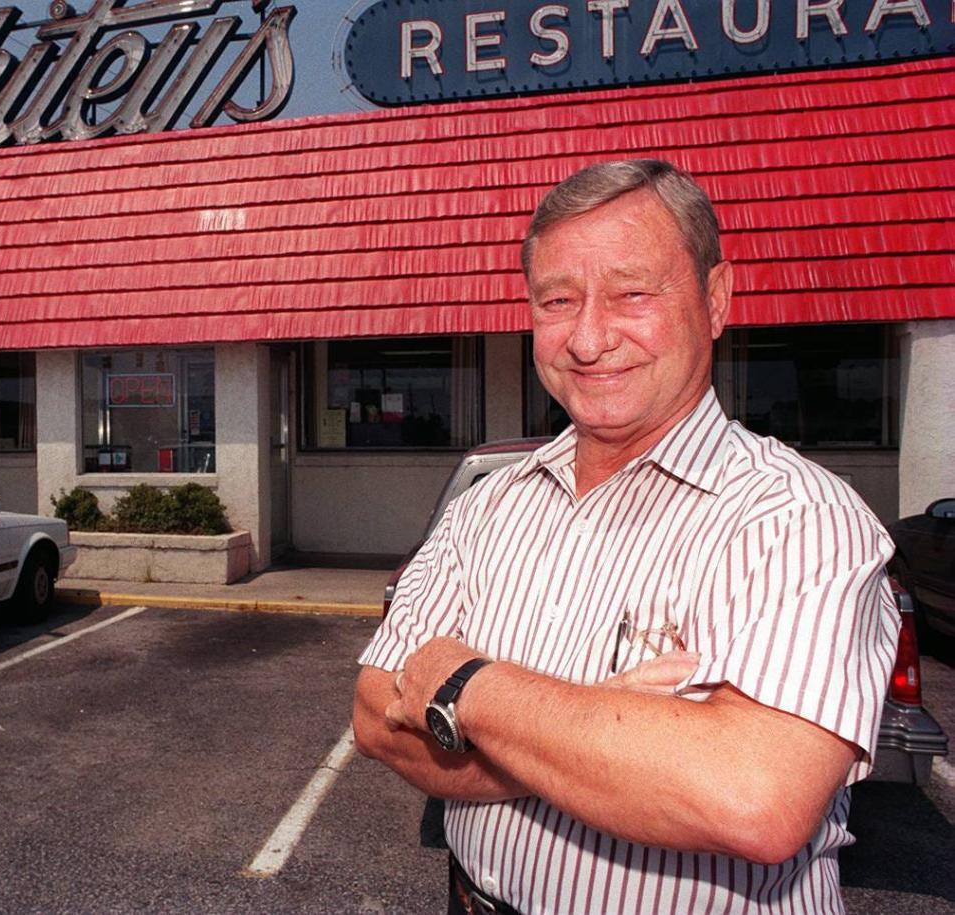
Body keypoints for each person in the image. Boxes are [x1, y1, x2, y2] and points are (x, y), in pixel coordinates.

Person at [353, 159, 899, 915]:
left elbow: (753, 798)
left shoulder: (797, 516)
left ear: (715, 299)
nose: (588, 337)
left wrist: (462, 685)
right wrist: (595, 726)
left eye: (632, 293)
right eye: (558, 300)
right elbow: (377, 712)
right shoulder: (488, 505)